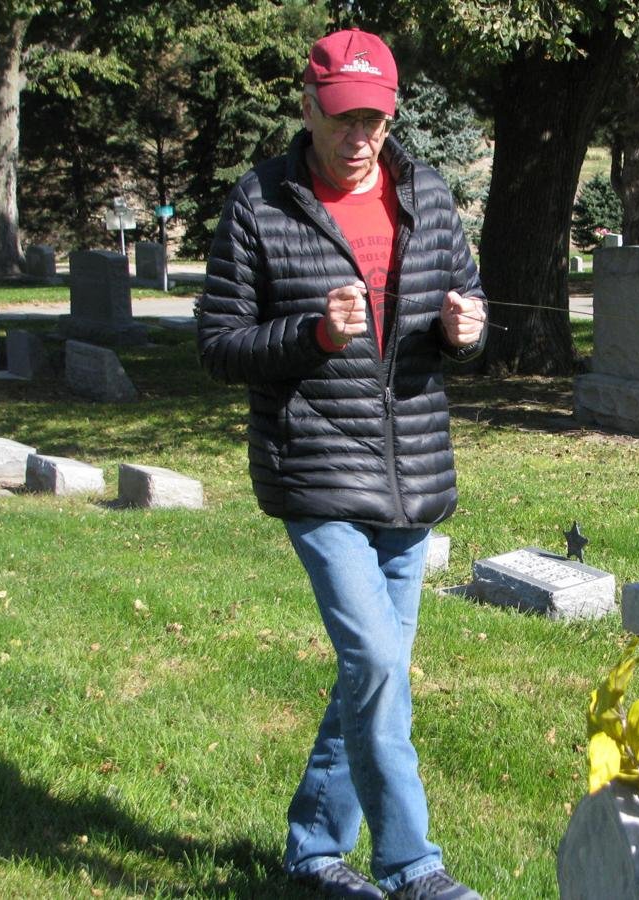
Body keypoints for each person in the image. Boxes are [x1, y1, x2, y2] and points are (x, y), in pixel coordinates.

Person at [197, 27, 486, 900]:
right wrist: (313, 334)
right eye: (342, 117)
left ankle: (314, 847)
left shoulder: (427, 196)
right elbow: (217, 344)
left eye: (374, 117)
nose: (359, 135)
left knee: (371, 671)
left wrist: (466, 332)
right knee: (375, 662)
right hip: (315, 469)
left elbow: (462, 302)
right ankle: (413, 865)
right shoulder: (260, 203)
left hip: (412, 474)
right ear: (309, 108)